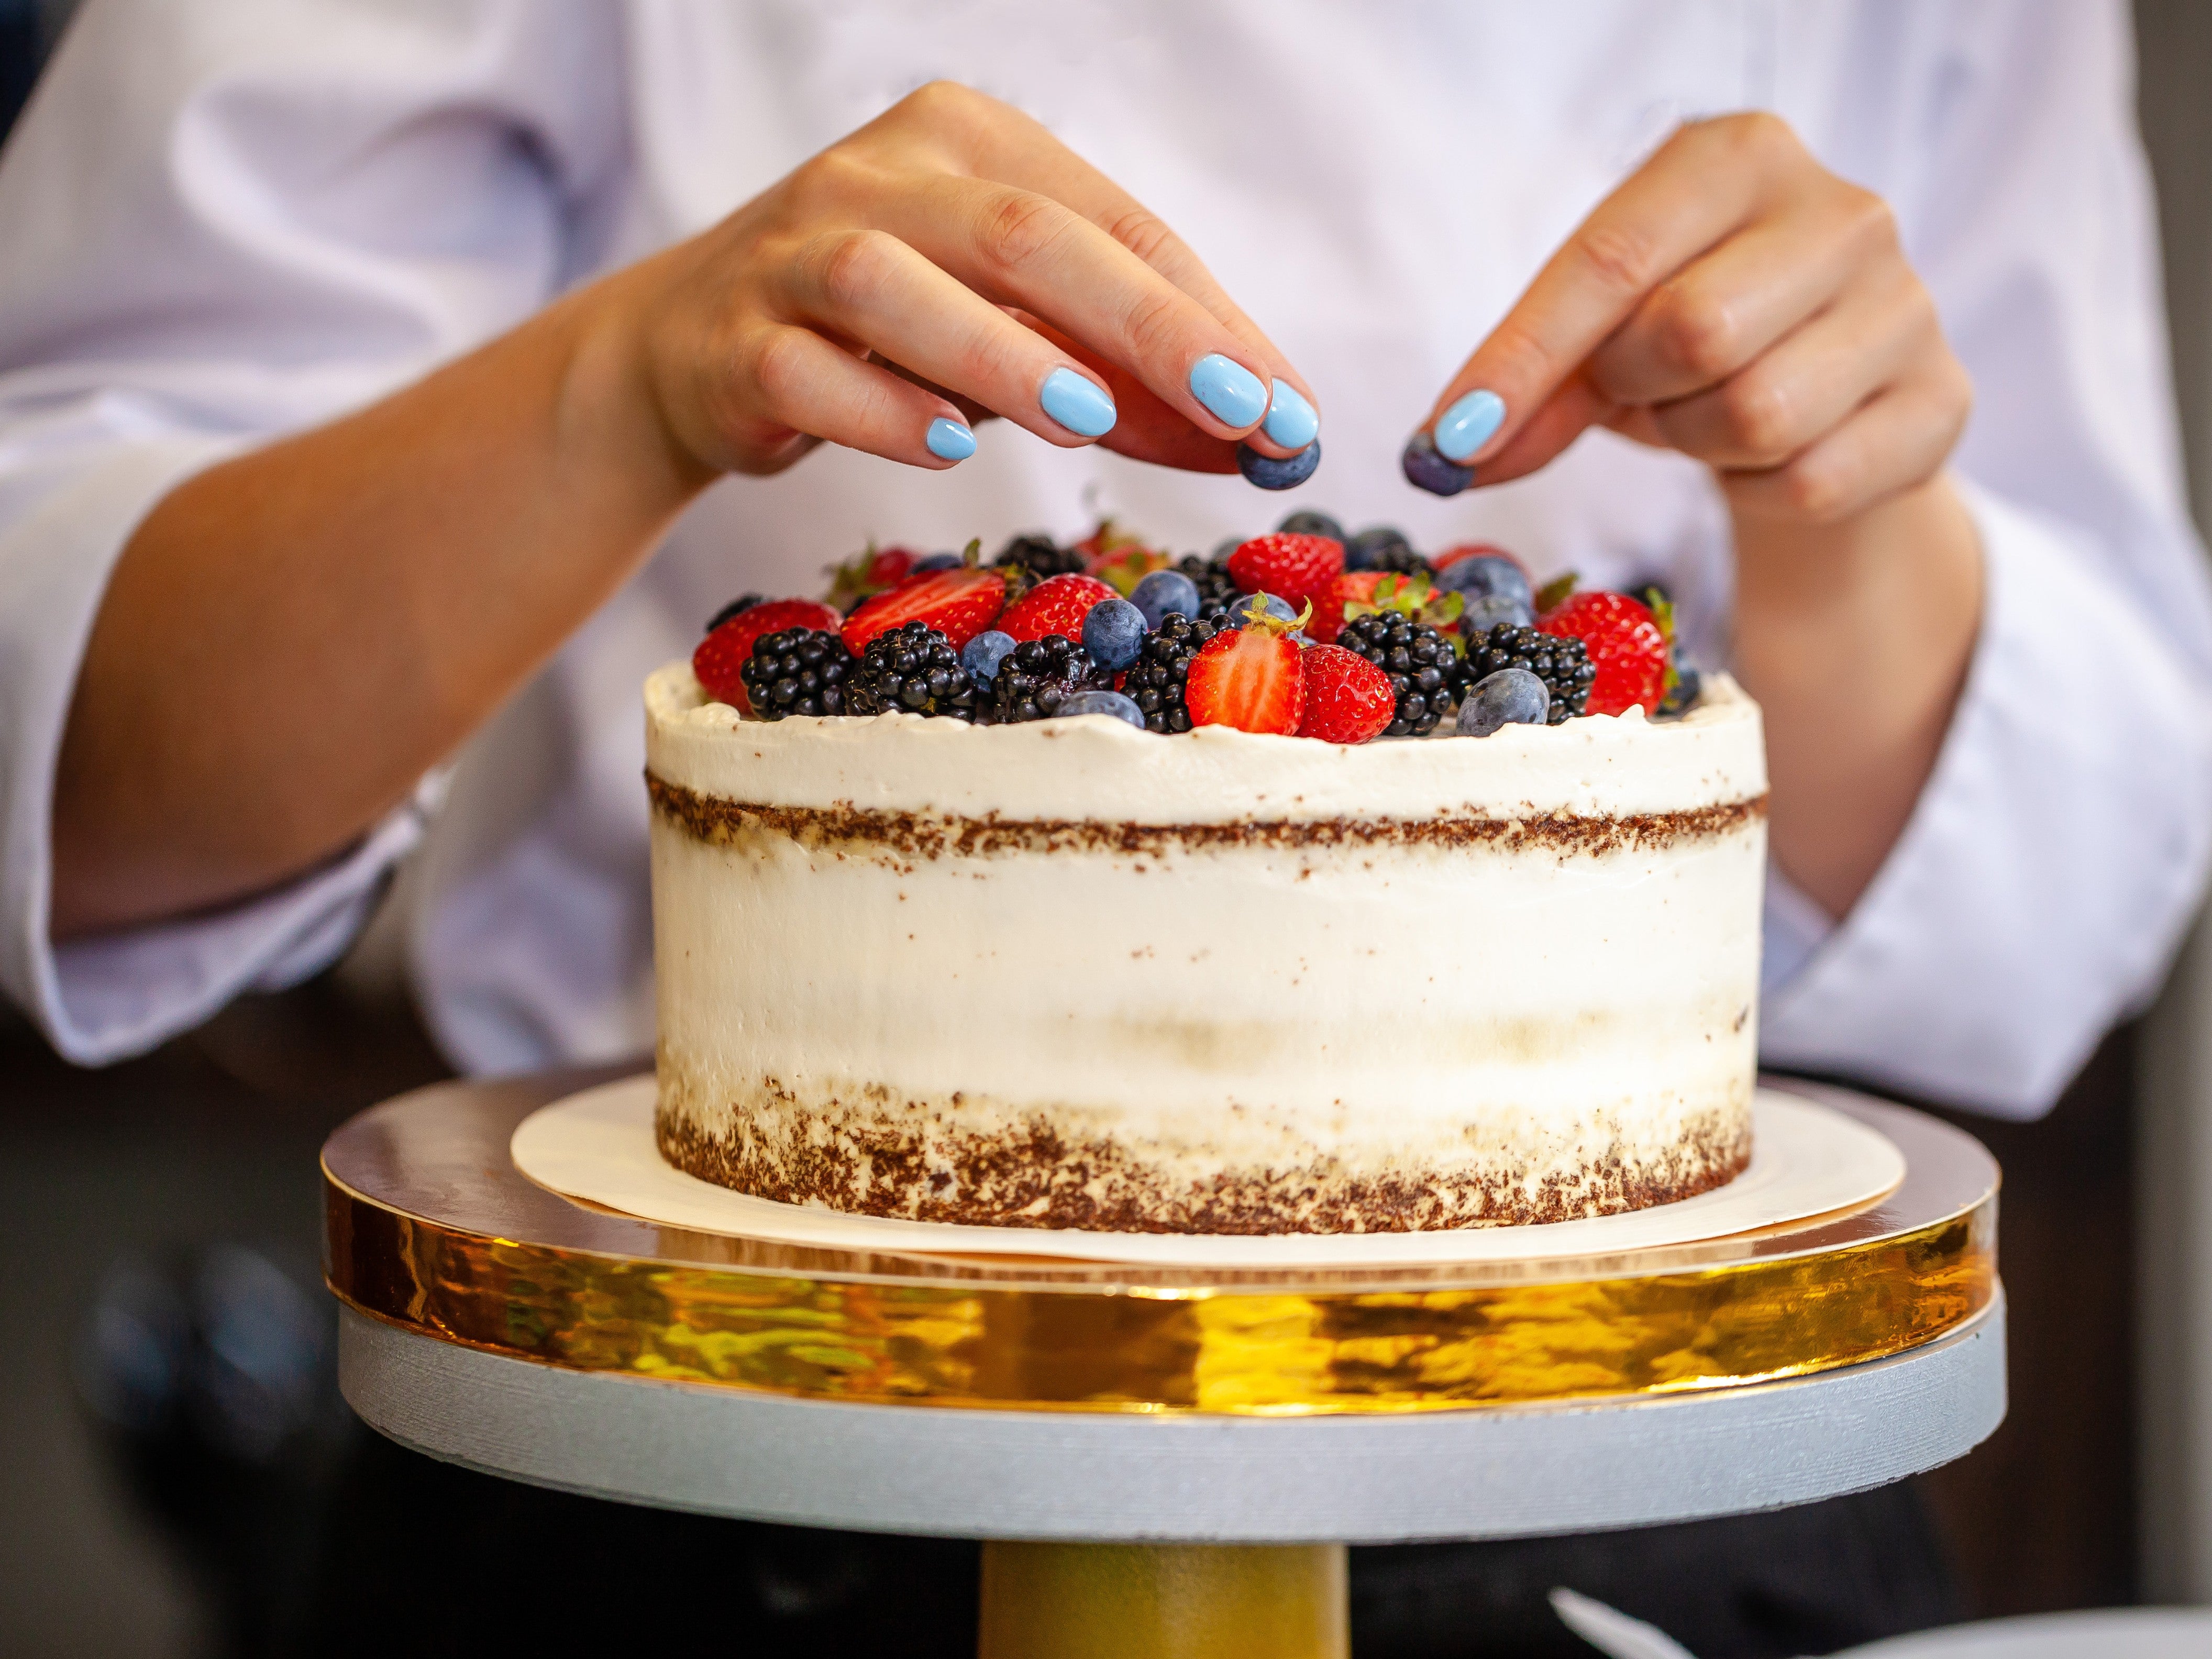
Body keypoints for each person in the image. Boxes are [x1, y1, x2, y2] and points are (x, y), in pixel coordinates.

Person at [1, 2, 2205, 1652]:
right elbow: (79, 765)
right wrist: (624, 383)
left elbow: (2069, 890)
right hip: (698, 1475)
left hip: (1647, 1474)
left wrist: (1832, 514)